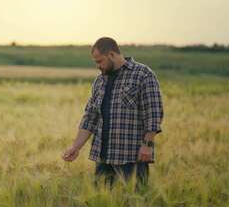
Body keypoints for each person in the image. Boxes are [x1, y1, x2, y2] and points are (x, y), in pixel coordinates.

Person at [62, 37, 164, 192]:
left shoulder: (143, 74)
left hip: (131, 157)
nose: (98, 66)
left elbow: (153, 113)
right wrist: (76, 147)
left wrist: (148, 145)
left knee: (133, 206)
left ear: (111, 54)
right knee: (102, 206)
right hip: (103, 158)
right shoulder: (99, 81)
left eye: (100, 61)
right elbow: (90, 117)